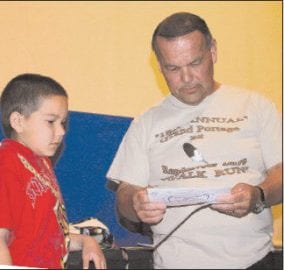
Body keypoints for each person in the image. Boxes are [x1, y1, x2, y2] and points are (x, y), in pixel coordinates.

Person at [106, 12, 282, 269]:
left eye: (195, 62)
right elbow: (124, 195)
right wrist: (136, 203)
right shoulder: (146, 122)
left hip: (252, 262)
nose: (186, 78)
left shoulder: (256, 107)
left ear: (213, 51)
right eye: (173, 68)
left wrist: (258, 194)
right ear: (159, 65)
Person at [0, 73, 106, 269]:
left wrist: (86, 241)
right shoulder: (4, 161)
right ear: (18, 122)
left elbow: (46, 238)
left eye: (62, 123)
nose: (61, 131)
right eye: (51, 121)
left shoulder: (41, 163)